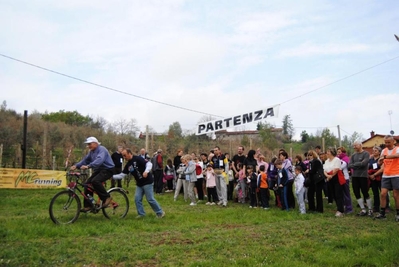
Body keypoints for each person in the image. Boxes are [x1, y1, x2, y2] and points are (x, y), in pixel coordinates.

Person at [113, 149, 165, 218]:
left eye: (125, 155)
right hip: (139, 184)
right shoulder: (128, 165)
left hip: (147, 182)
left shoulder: (138, 158)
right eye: (123, 156)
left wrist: (146, 171)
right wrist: (112, 176)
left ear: (129, 153)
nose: (124, 157)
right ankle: (141, 214)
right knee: (137, 199)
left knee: (150, 199)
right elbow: (122, 175)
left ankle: (160, 212)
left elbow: (149, 164)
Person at [70, 137, 114, 212]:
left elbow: (99, 160)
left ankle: (107, 198)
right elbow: (85, 160)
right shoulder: (91, 152)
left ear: (95, 143)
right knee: (87, 184)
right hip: (99, 170)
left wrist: (88, 166)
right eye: (88, 144)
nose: (88, 146)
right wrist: (76, 165)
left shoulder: (102, 149)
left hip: (108, 169)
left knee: (95, 181)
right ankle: (89, 205)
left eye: (89, 144)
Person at [375, 135, 399, 221]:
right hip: (386, 175)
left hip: (396, 174)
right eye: (386, 142)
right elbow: (380, 163)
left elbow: (396, 156)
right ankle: (382, 213)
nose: (387, 144)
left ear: (393, 142)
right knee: (383, 194)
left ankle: (398, 213)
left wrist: (385, 157)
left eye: (389, 142)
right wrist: (379, 162)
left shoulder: (397, 149)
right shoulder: (384, 150)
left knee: (396, 195)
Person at [348, 141, 372, 217]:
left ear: (360, 145)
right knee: (356, 192)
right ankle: (363, 209)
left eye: (355, 145)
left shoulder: (366, 154)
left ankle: (370, 209)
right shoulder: (353, 155)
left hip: (363, 176)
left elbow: (364, 164)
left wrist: (355, 165)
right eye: (353, 146)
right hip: (355, 176)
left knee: (365, 192)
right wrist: (358, 164)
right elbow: (349, 165)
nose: (354, 147)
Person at [324, 147, 344, 217]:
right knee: (333, 194)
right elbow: (324, 170)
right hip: (329, 178)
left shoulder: (337, 160)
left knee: (338, 194)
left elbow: (336, 169)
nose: (327, 153)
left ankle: (340, 210)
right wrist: (327, 175)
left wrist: (331, 176)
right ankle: (339, 207)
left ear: (332, 152)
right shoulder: (326, 161)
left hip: (336, 178)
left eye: (328, 151)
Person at [337, 146, 353, 214]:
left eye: (339, 152)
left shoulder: (345, 159)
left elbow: (340, 167)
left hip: (345, 178)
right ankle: (343, 206)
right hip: (339, 178)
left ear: (343, 152)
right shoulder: (337, 159)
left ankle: (349, 208)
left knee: (346, 193)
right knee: (341, 194)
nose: (338, 154)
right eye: (337, 152)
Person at [368, 146, 382, 213]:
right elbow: (368, 168)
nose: (373, 152)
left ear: (379, 152)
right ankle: (376, 207)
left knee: (383, 193)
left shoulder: (381, 159)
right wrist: (370, 175)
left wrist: (375, 174)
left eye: (375, 151)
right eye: (373, 150)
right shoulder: (370, 159)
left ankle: (385, 206)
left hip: (380, 177)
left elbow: (382, 168)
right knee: (375, 193)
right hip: (372, 178)